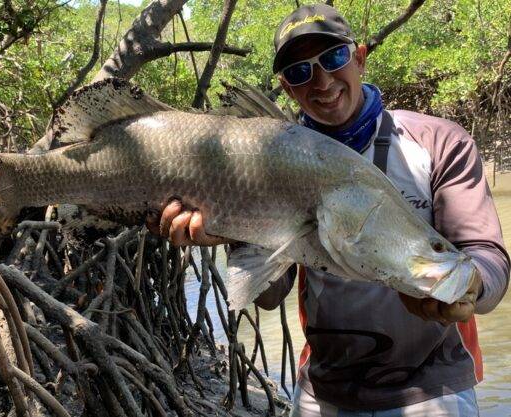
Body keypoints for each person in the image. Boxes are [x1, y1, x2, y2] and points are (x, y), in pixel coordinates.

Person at [147, 3, 510, 416]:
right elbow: (267, 296)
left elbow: (486, 255)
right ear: (286, 88)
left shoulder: (439, 141)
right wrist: (232, 231)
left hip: (433, 387)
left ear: (358, 56)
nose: (321, 81)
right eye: (300, 72)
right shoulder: (262, 157)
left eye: (333, 58)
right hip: (324, 390)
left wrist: (472, 285)